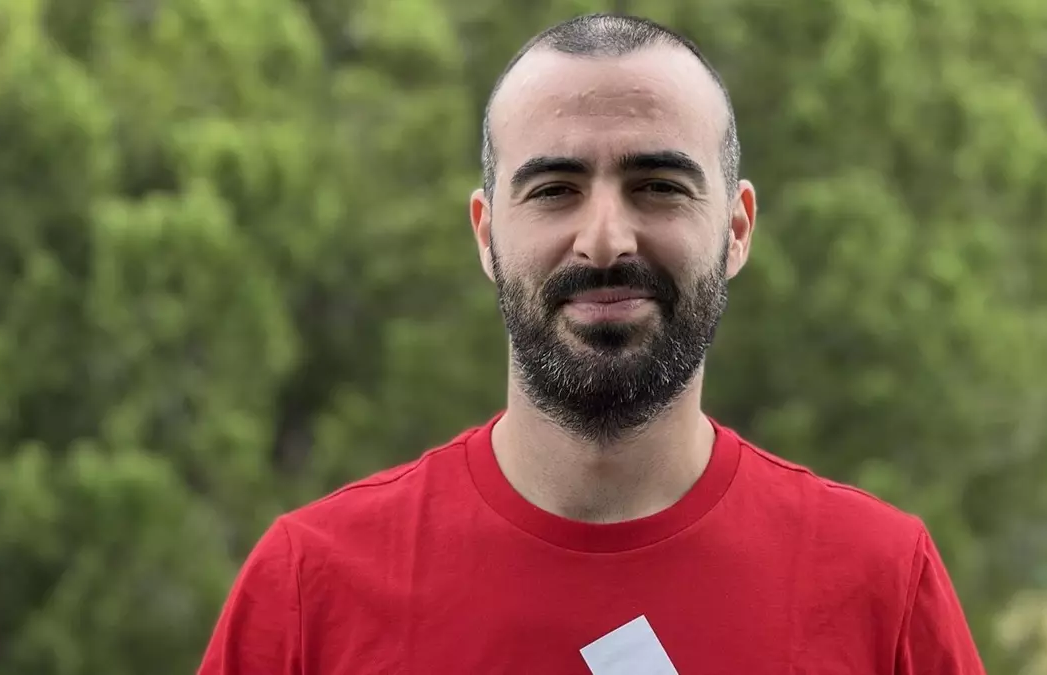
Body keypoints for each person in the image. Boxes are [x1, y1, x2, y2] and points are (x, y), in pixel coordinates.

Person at [197, 13, 986, 675]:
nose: (605, 239)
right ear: (486, 234)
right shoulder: (310, 587)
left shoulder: (879, 584)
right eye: (554, 190)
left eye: (659, 187)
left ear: (738, 228)